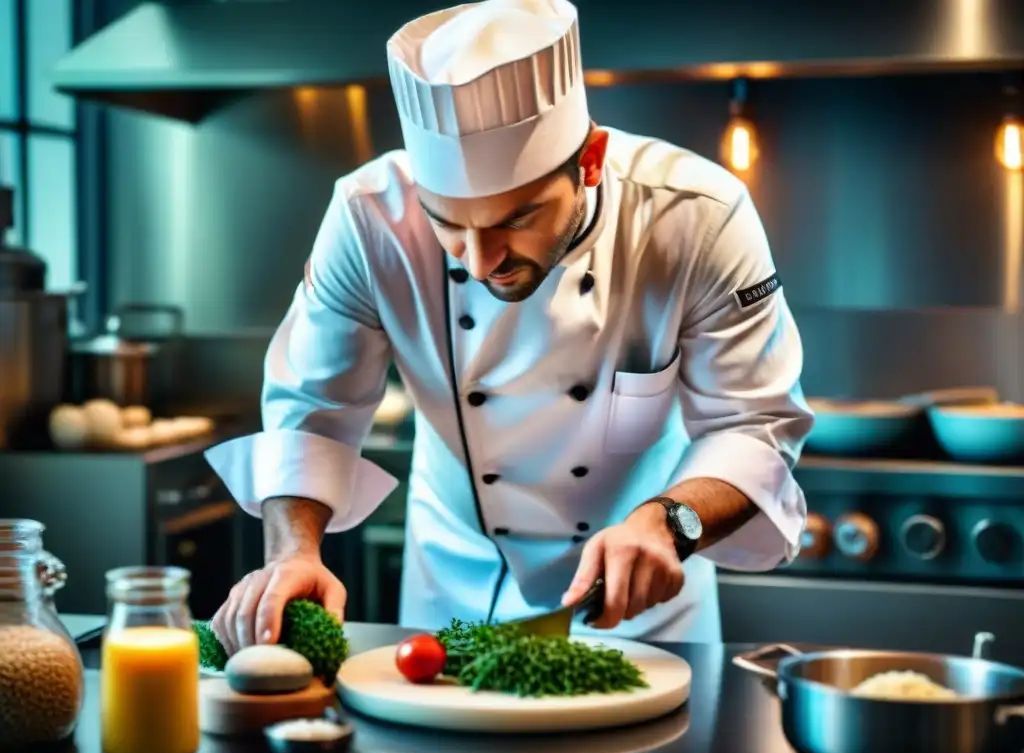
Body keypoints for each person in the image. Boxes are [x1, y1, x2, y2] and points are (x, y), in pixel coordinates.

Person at [205, 0, 814, 655]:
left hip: (642, 591)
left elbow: (752, 426)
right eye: (448, 224)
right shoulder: (368, 219)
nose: (480, 258)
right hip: (451, 589)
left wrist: (671, 524)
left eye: (514, 220)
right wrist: (293, 552)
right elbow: (312, 413)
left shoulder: (697, 218)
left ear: (591, 161)